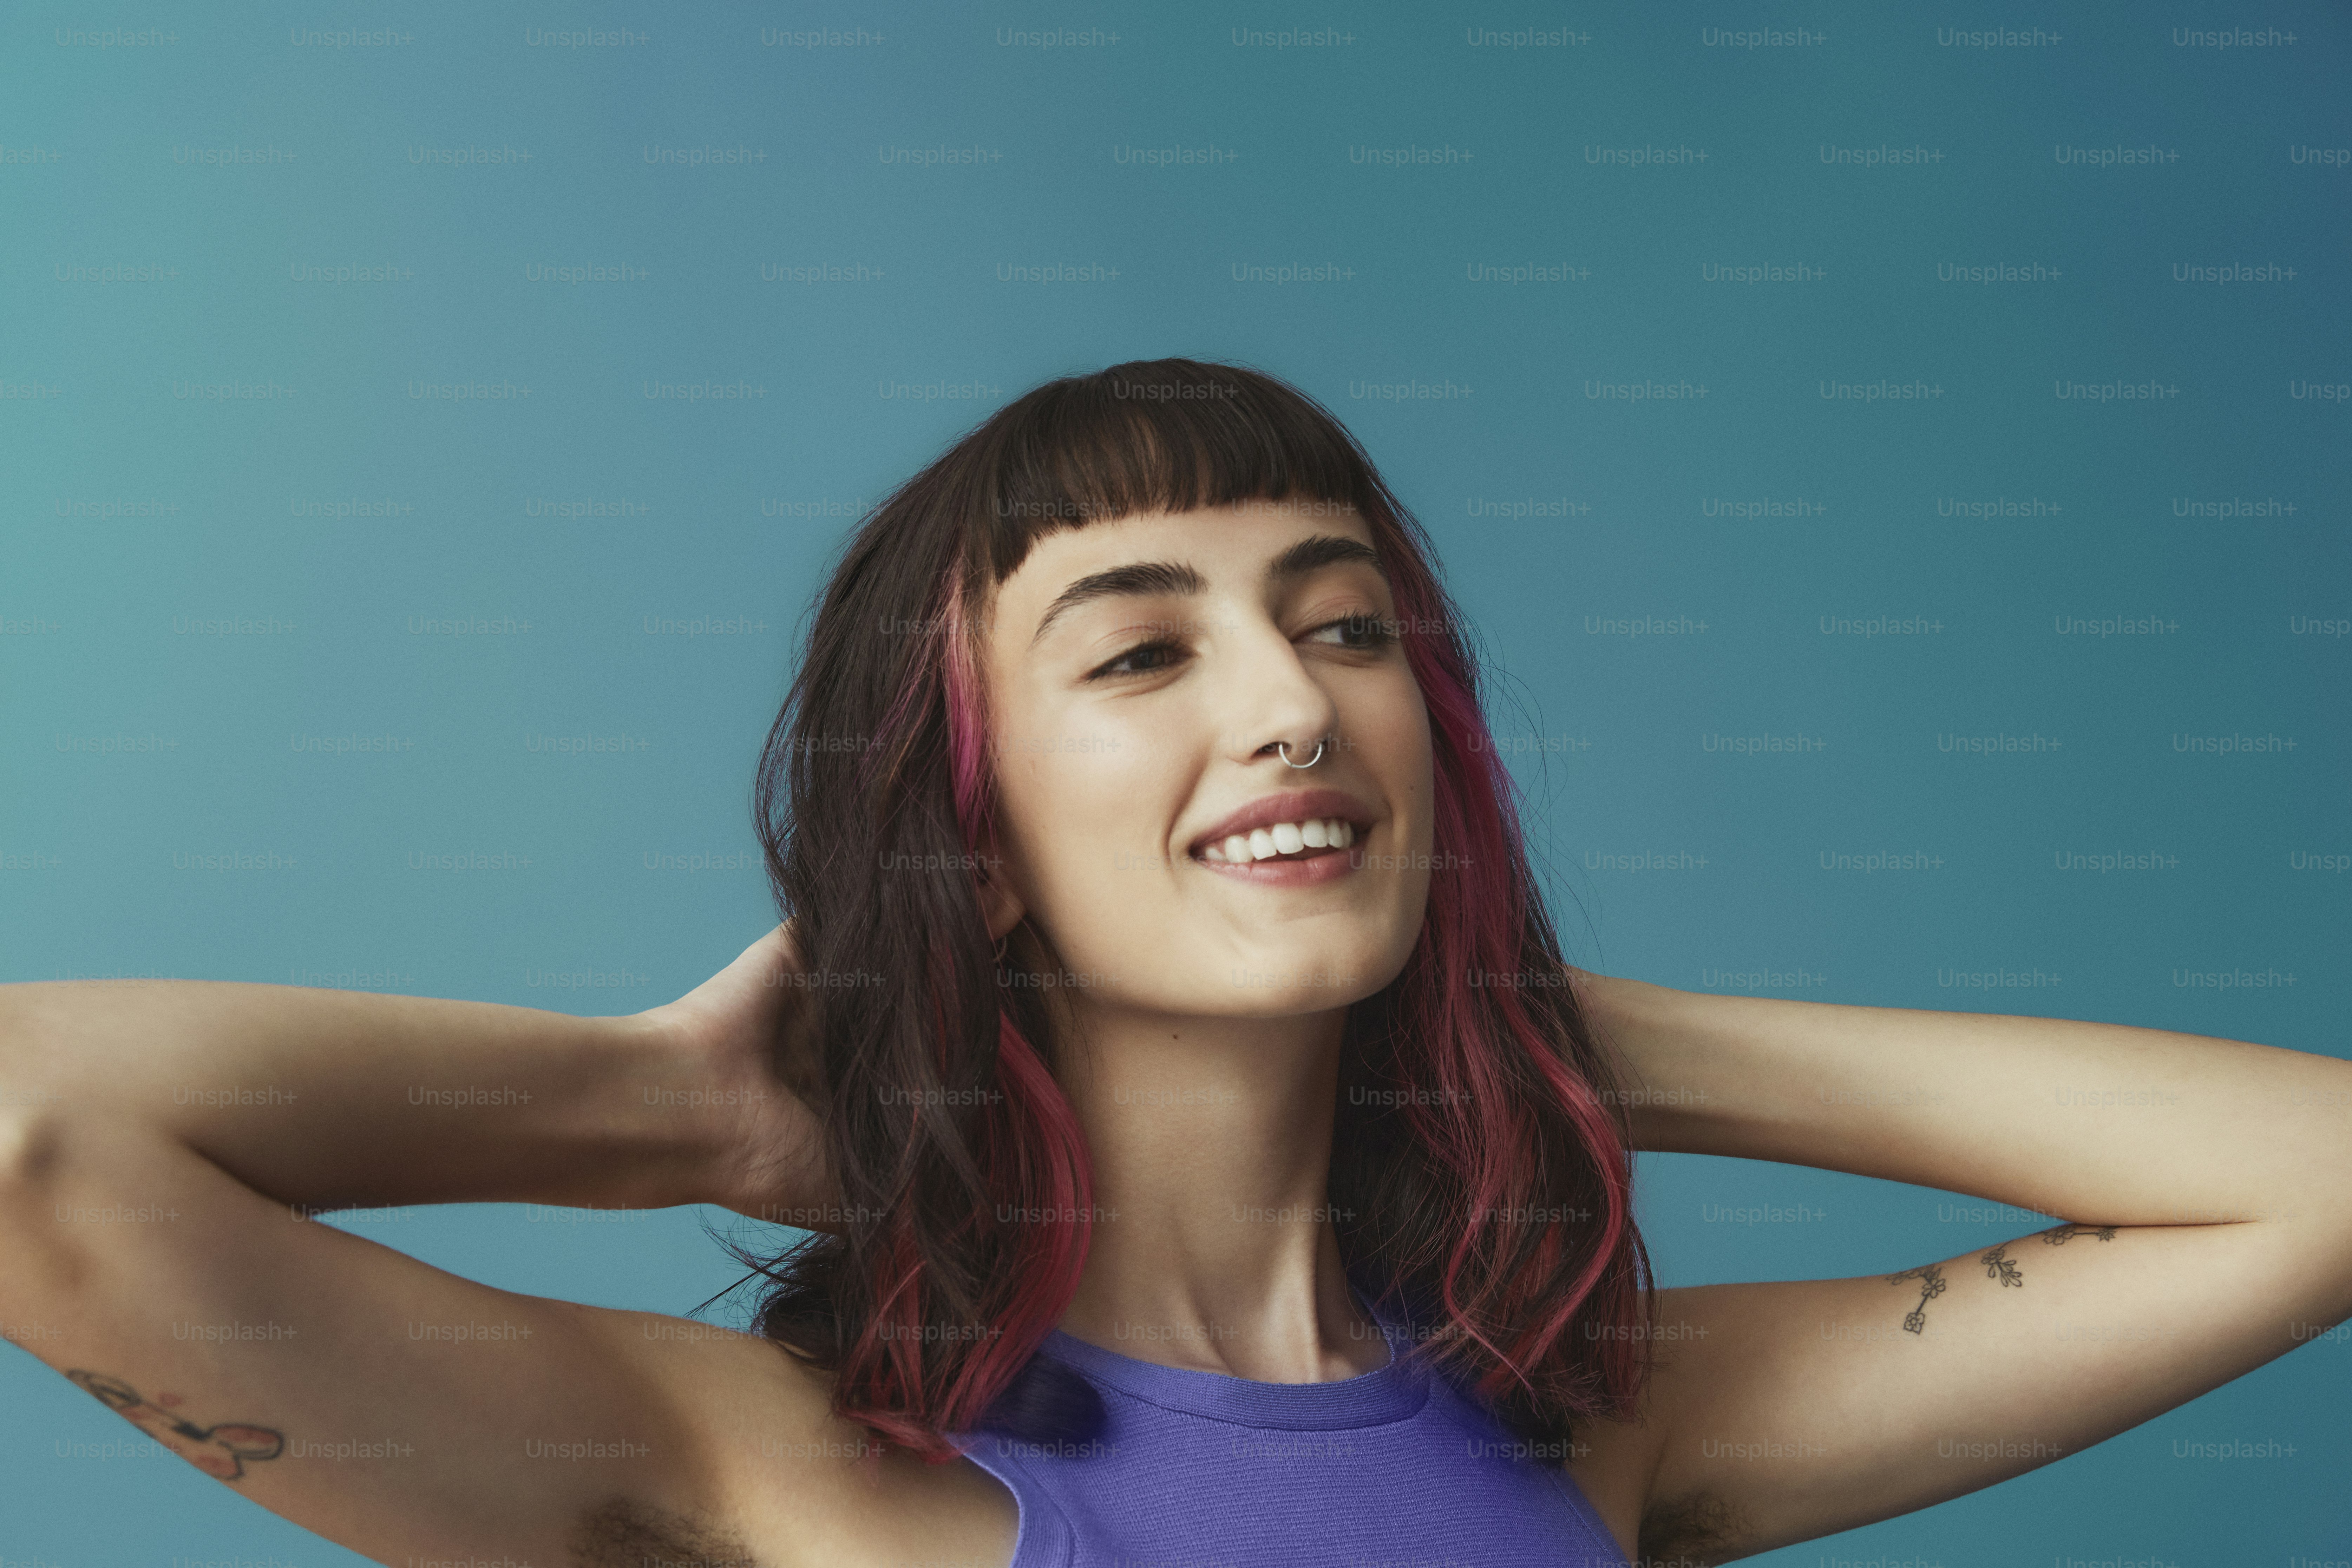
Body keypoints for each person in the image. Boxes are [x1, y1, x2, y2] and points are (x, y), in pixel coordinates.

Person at [1, 358, 2345, 1568]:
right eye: (1139, 653)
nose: (1291, 697)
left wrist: (1522, 1012)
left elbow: (2318, 1178)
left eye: (1342, 623)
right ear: (974, 847)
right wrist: (657, 1108)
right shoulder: (763, 1474)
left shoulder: (1613, 1434)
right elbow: (32, 1142)